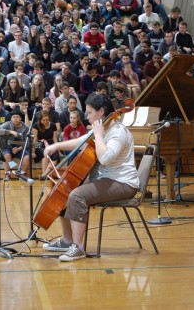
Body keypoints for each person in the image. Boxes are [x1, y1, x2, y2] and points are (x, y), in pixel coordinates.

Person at [42, 94, 139, 261]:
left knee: (78, 195)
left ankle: (78, 247)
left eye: (89, 112)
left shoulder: (118, 132)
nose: (86, 116)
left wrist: (99, 135)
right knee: (66, 188)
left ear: (101, 111)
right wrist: (56, 146)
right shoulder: (101, 128)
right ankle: (67, 240)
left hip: (123, 183)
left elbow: (105, 158)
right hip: (105, 180)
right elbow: (81, 141)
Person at [0, 109, 29, 180]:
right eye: (14, 117)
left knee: (27, 157)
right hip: (8, 147)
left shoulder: (25, 127)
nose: (15, 119)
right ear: (11, 118)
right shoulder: (8, 124)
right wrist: (10, 132)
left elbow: (27, 142)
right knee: (6, 155)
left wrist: (19, 148)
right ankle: (8, 173)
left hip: (20, 147)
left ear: (20, 118)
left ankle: (22, 173)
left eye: (17, 117)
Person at [32, 109, 60, 179]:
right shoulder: (36, 125)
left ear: (49, 118)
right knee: (45, 153)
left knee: (55, 155)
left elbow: (54, 138)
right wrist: (33, 151)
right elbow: (35, 139)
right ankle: (45, 175)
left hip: (50, 142)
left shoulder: (53, 125)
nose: (45, 122)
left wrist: (58, 149)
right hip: (39, 143)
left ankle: (44, 174)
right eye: (43, 120)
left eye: (47, 120)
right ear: (40, 120)